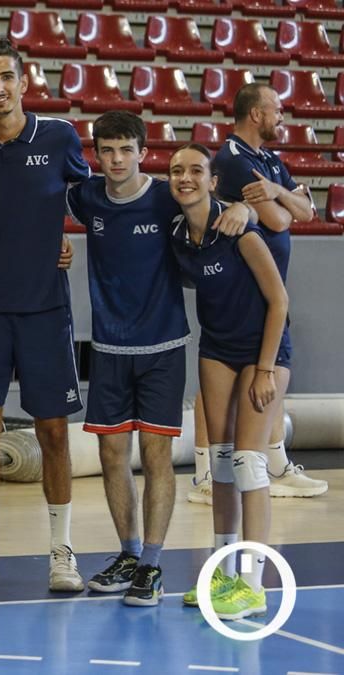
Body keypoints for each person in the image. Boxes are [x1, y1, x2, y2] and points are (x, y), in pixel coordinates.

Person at [67, 111, 251, 606]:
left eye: (126, 149)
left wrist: (246, 211)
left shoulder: (165, 195)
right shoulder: (87, 197)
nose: (116, 159)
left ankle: (152, 563)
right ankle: (128, 554)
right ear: (96, 155)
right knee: (111, 456)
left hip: (163, 348)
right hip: (108, 348)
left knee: (155, 457)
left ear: (142, 153)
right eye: (107, 151)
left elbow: (211, 203)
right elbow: (41, 198)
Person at [0, 39, 90, 592]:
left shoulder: (58, 137)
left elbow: (90, 197)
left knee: (53, 431)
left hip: (45, 308)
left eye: (6, 77)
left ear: (24, 81)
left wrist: (71, 240)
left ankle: (63, 551)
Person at [167, 144, 290, 621]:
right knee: (219, 466)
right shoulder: (177, 234)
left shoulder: (240, 230)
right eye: (177, 170)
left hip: (266, 352)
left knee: (248, 463)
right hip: (217, 350)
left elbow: (279, 302)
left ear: (213, 181)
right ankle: (222, 572)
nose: (185, 178)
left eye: (196, 170)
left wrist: (264, 370)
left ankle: (254, 586)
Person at [187, 82, 326, 501]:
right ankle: (206, 475)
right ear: (256, 114)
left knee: (268, 378)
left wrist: (278, 192)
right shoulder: (231, 159)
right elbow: (283, 222)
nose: (283, 116)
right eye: (277, 109)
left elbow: (307, 211)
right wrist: (278, 202)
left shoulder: (267, 159)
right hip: (239, 289)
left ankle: (276, 463)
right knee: (224, 382)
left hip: (268, 290)